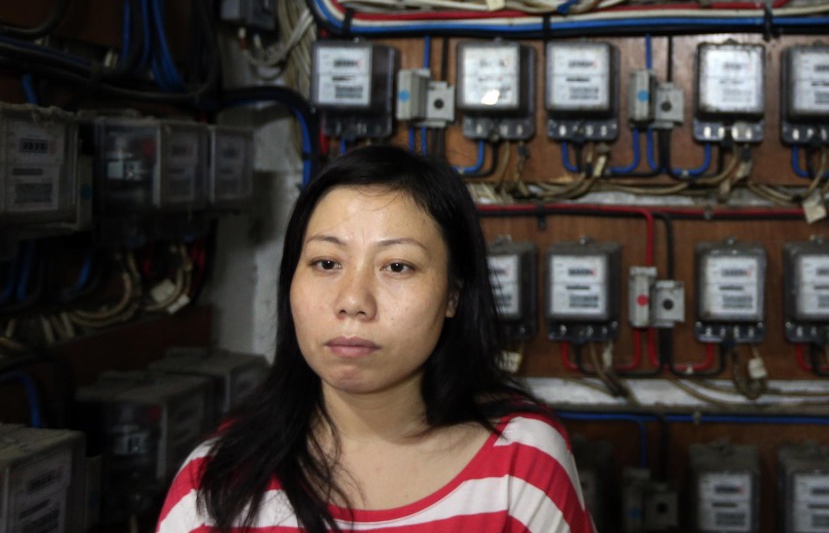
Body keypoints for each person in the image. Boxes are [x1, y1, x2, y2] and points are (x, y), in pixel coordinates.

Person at [156, 144, 595, 532]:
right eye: (326, 263)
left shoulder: (520, 466)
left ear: (452, 296)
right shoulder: (214, 482)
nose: (353, 300)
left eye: (397, 266)